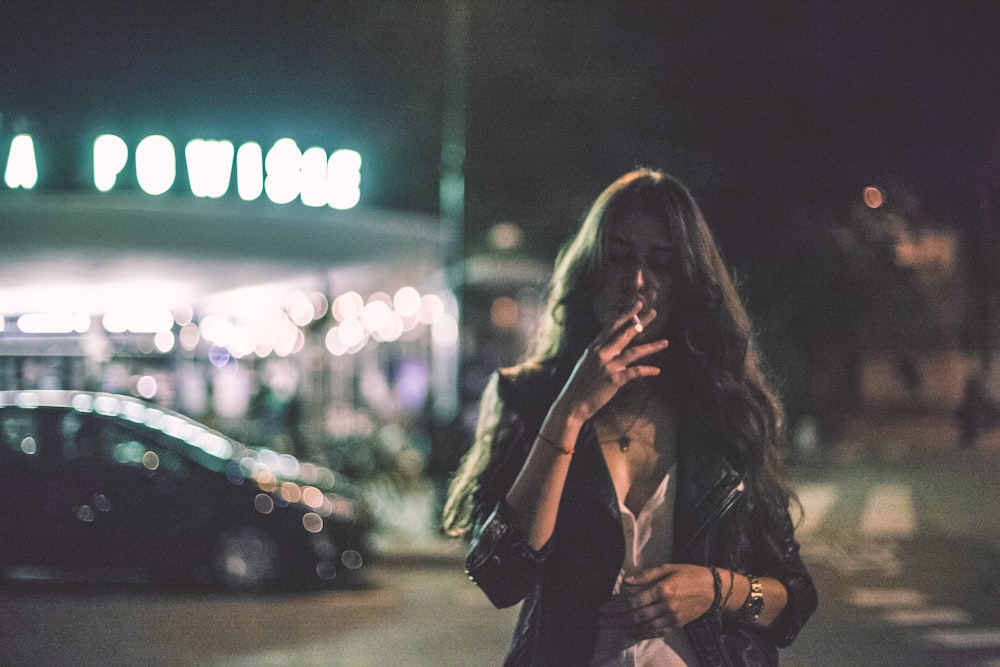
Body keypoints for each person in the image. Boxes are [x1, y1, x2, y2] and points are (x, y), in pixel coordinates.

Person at [442, 168, 817, 666]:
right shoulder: (531, 398)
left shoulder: (726, 407)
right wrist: (569, 411)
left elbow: (792, 597)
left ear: (687, 283)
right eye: (618, 258)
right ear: (591, 270)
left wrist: (714, 588)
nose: (637, 282)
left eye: (661, 264)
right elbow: (501, 577)